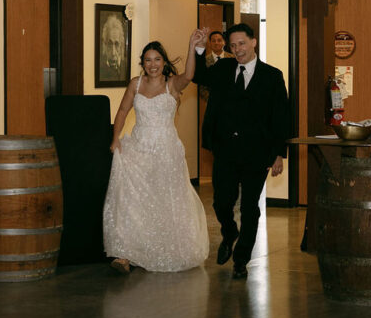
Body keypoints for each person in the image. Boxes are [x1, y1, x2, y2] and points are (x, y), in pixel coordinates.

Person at [192, 22, 290, 280]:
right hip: (224, 150)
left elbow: (281, 117)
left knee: (250, 208)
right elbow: (199, 76)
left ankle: (242, 259)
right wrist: (199, 50)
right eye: (233, 45)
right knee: (221, 202)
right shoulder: (223, 68)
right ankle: (229, 233)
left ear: (253, 42)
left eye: (242, 44)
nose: (238, 50)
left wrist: (279, 154)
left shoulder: (272, 76)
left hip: (257, 153)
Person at [103, 38, 209, 273]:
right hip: (139, 148)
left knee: (165, 199)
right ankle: (125, 254)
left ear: (164, 62)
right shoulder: (136, 84)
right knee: (132, 199)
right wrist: (116, 138)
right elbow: (122, 111)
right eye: (148, 60)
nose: (153, 65)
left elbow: (190, 75)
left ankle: (164, 248)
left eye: (157, 60)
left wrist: (191, 46)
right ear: (143, 63)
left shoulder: (173, 84)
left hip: (166, 151)